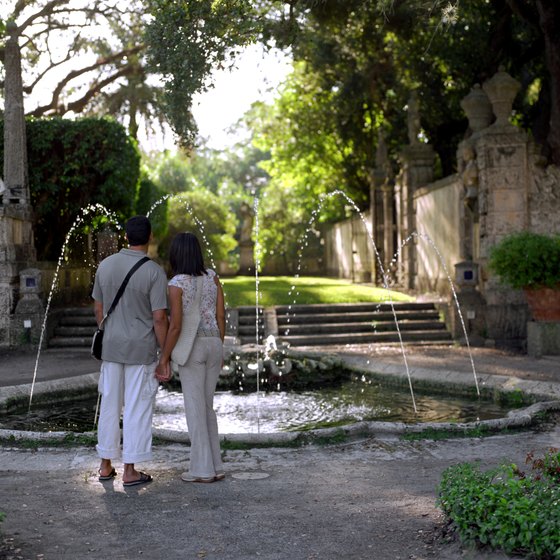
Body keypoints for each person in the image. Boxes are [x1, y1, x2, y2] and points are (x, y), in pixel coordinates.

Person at [92, 215, 168, 486]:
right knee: (136, 408)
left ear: (125, 237)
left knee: (109, 406)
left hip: (111, 349)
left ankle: (104, 465)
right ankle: (130, 471)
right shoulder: (154, 272)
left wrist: (111, 332)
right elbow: (159, 318)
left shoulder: (106, 265)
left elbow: (99, 309)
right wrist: (165, 356)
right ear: (149, 237)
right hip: (141, 350)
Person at [156, 232, 226, 483]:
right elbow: (221, 316)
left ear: (176, 254)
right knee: (207, 407)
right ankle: (216, 466)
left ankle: (201, 470)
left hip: (192, 347)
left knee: (195, 409)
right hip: (214, 343)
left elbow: (175, 325)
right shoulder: (212, 277)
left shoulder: (176, 283)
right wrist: (220, 346)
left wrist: (164, 357)